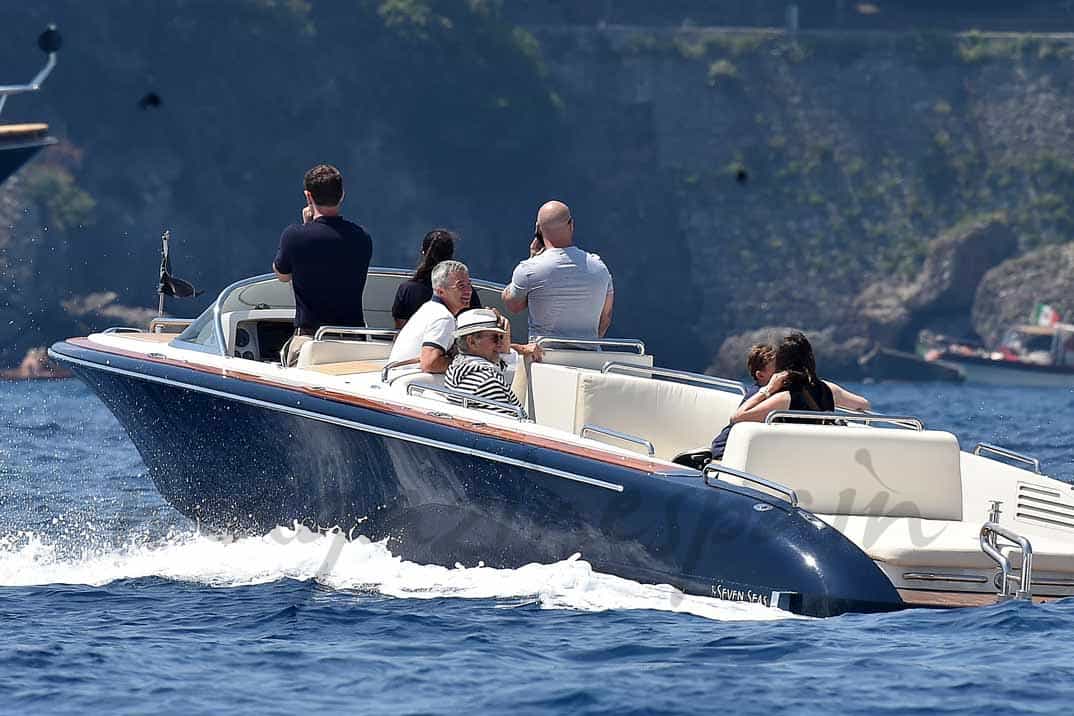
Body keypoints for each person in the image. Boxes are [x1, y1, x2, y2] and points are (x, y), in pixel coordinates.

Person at [273, 164, 373, 366]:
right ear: (342, 195)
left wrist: (307, 226)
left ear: (308, 196)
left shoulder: (295, 236)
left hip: (312, 342)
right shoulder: (362, 238)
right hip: (354, 343)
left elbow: (282, 275)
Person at [501, 200, 614, 341]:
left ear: (538, 229)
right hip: (590, 358)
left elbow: (513, 305)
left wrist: (531, 258)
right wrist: (585, 345)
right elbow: (606, 317)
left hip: (543, 357)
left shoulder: (529, 269)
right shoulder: (600, 268)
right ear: (572, 225)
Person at [728, 332, 871, 427]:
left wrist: (767, 390)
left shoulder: (784, 398)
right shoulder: (829, 389)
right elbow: (863, 405)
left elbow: (737, 418)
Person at [388, 260, 474, 373]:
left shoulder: (430, 308)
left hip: (398, 375)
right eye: (461, 286)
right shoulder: (443, 317)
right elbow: (430, 363)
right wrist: (467, 363)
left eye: (469, 284)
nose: (469, 291)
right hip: (410, 382)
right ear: (440, 291)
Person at [445, 309, 528, 418]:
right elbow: (512, 424)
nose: (500, 344)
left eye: (501, 337)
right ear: (472, 342)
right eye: (494, 338)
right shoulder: (488, 381)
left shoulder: (454, 369)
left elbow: (500, 366)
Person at [392, 228, 481, 328]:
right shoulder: (467, 292)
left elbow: (401, 330)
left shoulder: (407, 290)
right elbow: (475, 329)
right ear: (451, 254)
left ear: (423, 252)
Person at [710, 343, 776, 460]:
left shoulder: (772, 394)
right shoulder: (757, 396)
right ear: (760, 375)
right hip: (725, 449)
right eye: (777, 369)